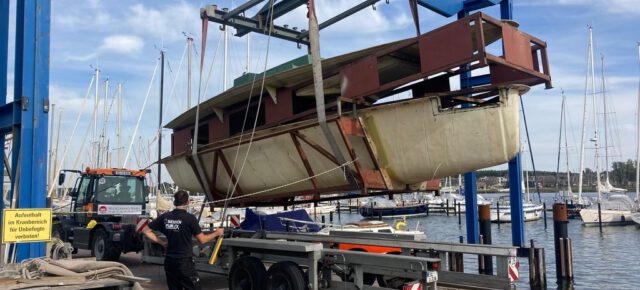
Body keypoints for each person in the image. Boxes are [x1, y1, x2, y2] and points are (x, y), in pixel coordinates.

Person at [142, 190, 224, 290]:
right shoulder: (190, 218)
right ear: (188, 202)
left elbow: (145, 230)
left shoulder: (165, 217)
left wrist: (162, 242)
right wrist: (217, 233)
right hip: (184, 262)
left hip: (169, 262)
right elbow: (202, 240)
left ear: (174, 202)